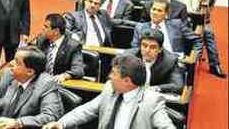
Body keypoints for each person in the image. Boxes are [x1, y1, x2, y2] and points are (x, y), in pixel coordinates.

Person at [42, 54, 175, 129]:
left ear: (127, 81)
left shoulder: (152, 101)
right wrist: (61, 123)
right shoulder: (109, 89)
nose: (110, 76)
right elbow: (87, 110)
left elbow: (167, 127)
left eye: (114, 73)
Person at [0, 47, 63, 128]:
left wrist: (18, 123)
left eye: (17, 62)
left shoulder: (47, 84)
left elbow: (50, 116)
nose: (11, 63)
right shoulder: (8, 74)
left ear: (30, 72)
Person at [171, 0, 226, 77]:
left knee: (208, 34)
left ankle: (214, 65)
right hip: (181, 18)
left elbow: (204, 15)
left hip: (199, 21)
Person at [131, 0, 202, 58]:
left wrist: (194, 57)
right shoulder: (140, 27)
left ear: (166, 14)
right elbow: (135, 48)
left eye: (159, 10)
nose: (155, 12)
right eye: (153, 9)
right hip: (148, 61)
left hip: (175, 61)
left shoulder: (177, 24)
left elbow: (197, 40)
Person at [125, 29, 185, 94]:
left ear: (160, 49)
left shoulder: (170, 61)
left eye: (152, 47)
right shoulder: (129, 56)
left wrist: (154, 89)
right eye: (144, 45)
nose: (147, 50)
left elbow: (178, 86)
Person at [35, 14, 85, 81]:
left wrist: (64, 76)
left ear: (56, 31)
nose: (42, 28)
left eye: (46, 27)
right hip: (41, 81)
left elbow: (78, 70)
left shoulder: (73, 46)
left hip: (59, 84)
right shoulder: (41, 40)